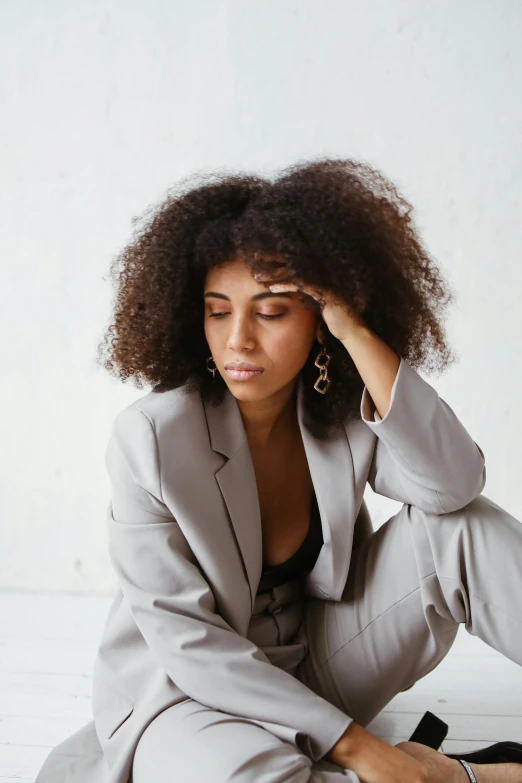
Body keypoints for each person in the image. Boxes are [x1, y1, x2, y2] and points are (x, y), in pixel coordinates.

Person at [35, 159, 522, 783]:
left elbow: (453, 486)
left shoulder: (341, 414)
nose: (238, 338)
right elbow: (190, 646)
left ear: (318, 317)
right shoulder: (151, 438)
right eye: (218, 311)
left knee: (459, 529)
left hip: (313, 670)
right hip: (188, 698)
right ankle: (464, 776)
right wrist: (356, 746)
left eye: (270, 313)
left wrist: (353, 330)